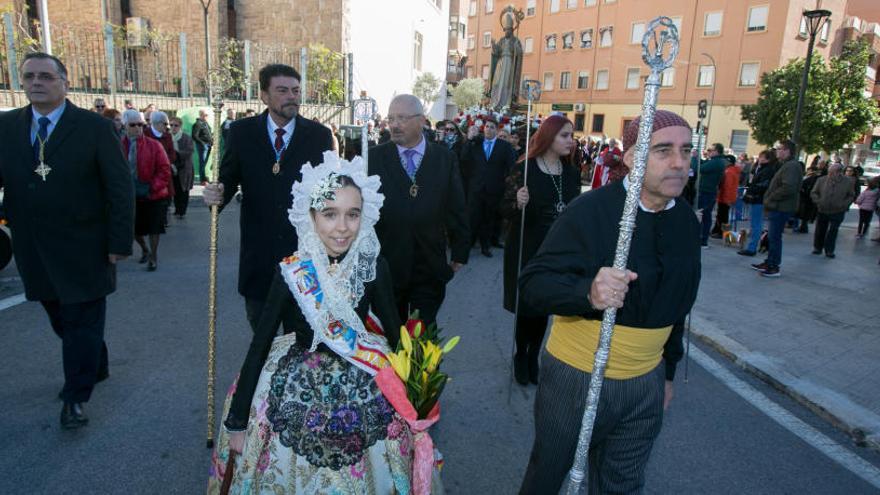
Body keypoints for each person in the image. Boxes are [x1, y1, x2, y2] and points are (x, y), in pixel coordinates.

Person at [208, 154, 424, 492]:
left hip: (364, 377)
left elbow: (398, 339)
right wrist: (237, 421)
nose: (342, 227)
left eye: (352, 215)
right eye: (329, 214)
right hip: (294, 383)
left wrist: (417, 403)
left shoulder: (374, 266)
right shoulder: (293, 270)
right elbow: (260, 343)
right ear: (311, 217)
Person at [518, 110, 700, 493]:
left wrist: (667, 372)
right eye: (663, 151)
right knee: (549, 474)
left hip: (645, 382)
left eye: (686, 151)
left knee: (623, 482)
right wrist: (587, 293)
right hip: (577, 374)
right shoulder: (590, 211)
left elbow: (678, 303)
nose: (679, 163)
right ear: (633, 157)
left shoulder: (686, 220)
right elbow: (533, 285)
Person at [0, 52, 133, 429]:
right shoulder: (6, 126)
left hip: (85, 246)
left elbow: (119, 187)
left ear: (64, 82)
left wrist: (119, 241)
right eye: (29, 76)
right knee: (61, 318)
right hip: (33, 247)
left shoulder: (93, 127)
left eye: (46, 76)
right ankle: (96, 362)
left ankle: (75, 397)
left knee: (80, 320)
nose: (36, 82)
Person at [202, 64, 333, 332]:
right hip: (259, 259)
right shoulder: (242, 132)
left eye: (296, 90)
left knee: (302, 344)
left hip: (304, 259)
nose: (291, 96)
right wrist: (217, 194)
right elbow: (227, 178)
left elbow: (329, 191)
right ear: (264, 95)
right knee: (262, 343)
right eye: (282, 90)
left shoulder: (318, 136)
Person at [368, 94, 470, 326]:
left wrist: (460, 251)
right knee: (389, 335)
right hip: (387, 264)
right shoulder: (374, 158)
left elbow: (456, 206)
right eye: (391, 118)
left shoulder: (444, 158)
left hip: (429, 265)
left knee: (423, 336)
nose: (394, 124)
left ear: (422, 120)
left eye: (402, 118)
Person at [501, 115, 580, 386]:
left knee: (544, 306)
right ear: (549, 137)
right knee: (527, 307)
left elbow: (574, 211)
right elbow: (503, 210)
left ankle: (534, 354)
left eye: (571, 135)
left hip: (556, 251)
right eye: (565, 135)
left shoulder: (571, 173)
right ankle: (521, 354)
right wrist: (517, 203)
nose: (571, 141)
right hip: (527, 246)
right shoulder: (525, 170)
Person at [122, 109, 172, 271]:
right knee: (133, 228)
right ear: (125, 126)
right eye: (133, 125)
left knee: (154, 227)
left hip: (153, 195)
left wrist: (152, 188)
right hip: (129, 195)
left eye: (141, 124)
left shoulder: (154, 145)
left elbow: (164, 169)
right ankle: (144, 249)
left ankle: (153, 256)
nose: (138, 128)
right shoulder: (118, 145)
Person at [462, 117, 517, 257]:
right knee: (472, 217)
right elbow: (464, 159)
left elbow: (512, 165)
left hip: (494, 189)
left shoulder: (504, 146)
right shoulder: (475, 142)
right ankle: (467, 244)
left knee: (488, 218)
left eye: (492, 127)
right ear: (483, 128)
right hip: (475, 188)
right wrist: (469, 140)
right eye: (487, 126)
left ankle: (485, 246)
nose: (488, 129)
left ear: (497, 130)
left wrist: (507, 181)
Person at [752, 139, 801, 277]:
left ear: (787, 151)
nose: (777, 151)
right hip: (778, 207)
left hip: (781, 207)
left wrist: (771, 197)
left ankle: (774, 266)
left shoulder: (791, 166)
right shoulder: (786, 165)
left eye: (780, 149)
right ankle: (770, 261)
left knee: (774, 237)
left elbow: (788, 187)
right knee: (772, 236)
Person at [738, 149, 778, 256]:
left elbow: (762, 186)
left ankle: (752, 248)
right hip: (757, 199)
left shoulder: (768, 170)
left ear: (767, 159)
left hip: (759, 200)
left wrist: (751, 191)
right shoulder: (760, 169)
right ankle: (752, 246)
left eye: (762, 157)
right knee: (755, 224)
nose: (759, 159)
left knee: (756, 224)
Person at [810, 163, 855, 258]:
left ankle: (829, 250)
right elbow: (814, 192)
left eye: (832, 172)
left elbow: (851, 195)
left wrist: (844, 204)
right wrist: (818, 201)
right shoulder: (821, 180)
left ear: (839, 173)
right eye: (829, 172)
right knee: (820, 229)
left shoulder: (848, 182)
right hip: (823, 209)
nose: (829, 174)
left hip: (838, 210)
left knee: (833, 230)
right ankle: (817, 247)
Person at [694, 143, 727, 247]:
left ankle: (702, 240)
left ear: (716, 151)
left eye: (710, 150)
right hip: (708, 192)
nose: (708, 152)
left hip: (706, 192)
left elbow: (699, 168)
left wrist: (695, 158)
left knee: (703, 216)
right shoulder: (716, 161)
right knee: (705, 216)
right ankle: (702, 239)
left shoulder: (717, 162)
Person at [169, 116, 195, 218]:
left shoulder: (186, 137)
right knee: (174, 190)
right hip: (171, 167)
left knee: (183, 190)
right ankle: (177, 209)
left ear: (180, 126)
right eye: (171, 125)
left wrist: (177, 153)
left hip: (184, 167)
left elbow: (190, 151)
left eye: (176, 125)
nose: (173, 127)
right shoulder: (167, 137)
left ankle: (182, 211)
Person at [710, 155, 741, 238]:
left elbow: (727, 186)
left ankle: (722, 233)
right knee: (722, 215)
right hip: (727, 197)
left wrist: (726, 199)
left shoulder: (729, 172)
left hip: (725, 197)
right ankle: (717, 230)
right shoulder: (732, 170)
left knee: (722, 216)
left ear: (728, 162)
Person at [795, 163, 821, 233]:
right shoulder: (813, 178)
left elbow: (805, 185)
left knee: (804, 213)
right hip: (807, 198)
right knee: (804, 214)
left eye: (809, 170)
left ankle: (803, 227)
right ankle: (802, 226)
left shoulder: (812, 178)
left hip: (807, 198)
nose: (808, 172)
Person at [192, 109, 213, 183]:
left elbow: (208, 133)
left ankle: (204, 178)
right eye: (206, 115)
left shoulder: (205, 123)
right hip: (203, 146)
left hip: (208, 145)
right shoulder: (197, 124)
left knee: (204, 162)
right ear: (201, 115)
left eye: (207, 115)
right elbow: (194, 136)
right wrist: (203, 144)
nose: (207, 116)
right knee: (202, 162)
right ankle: (202, 179)